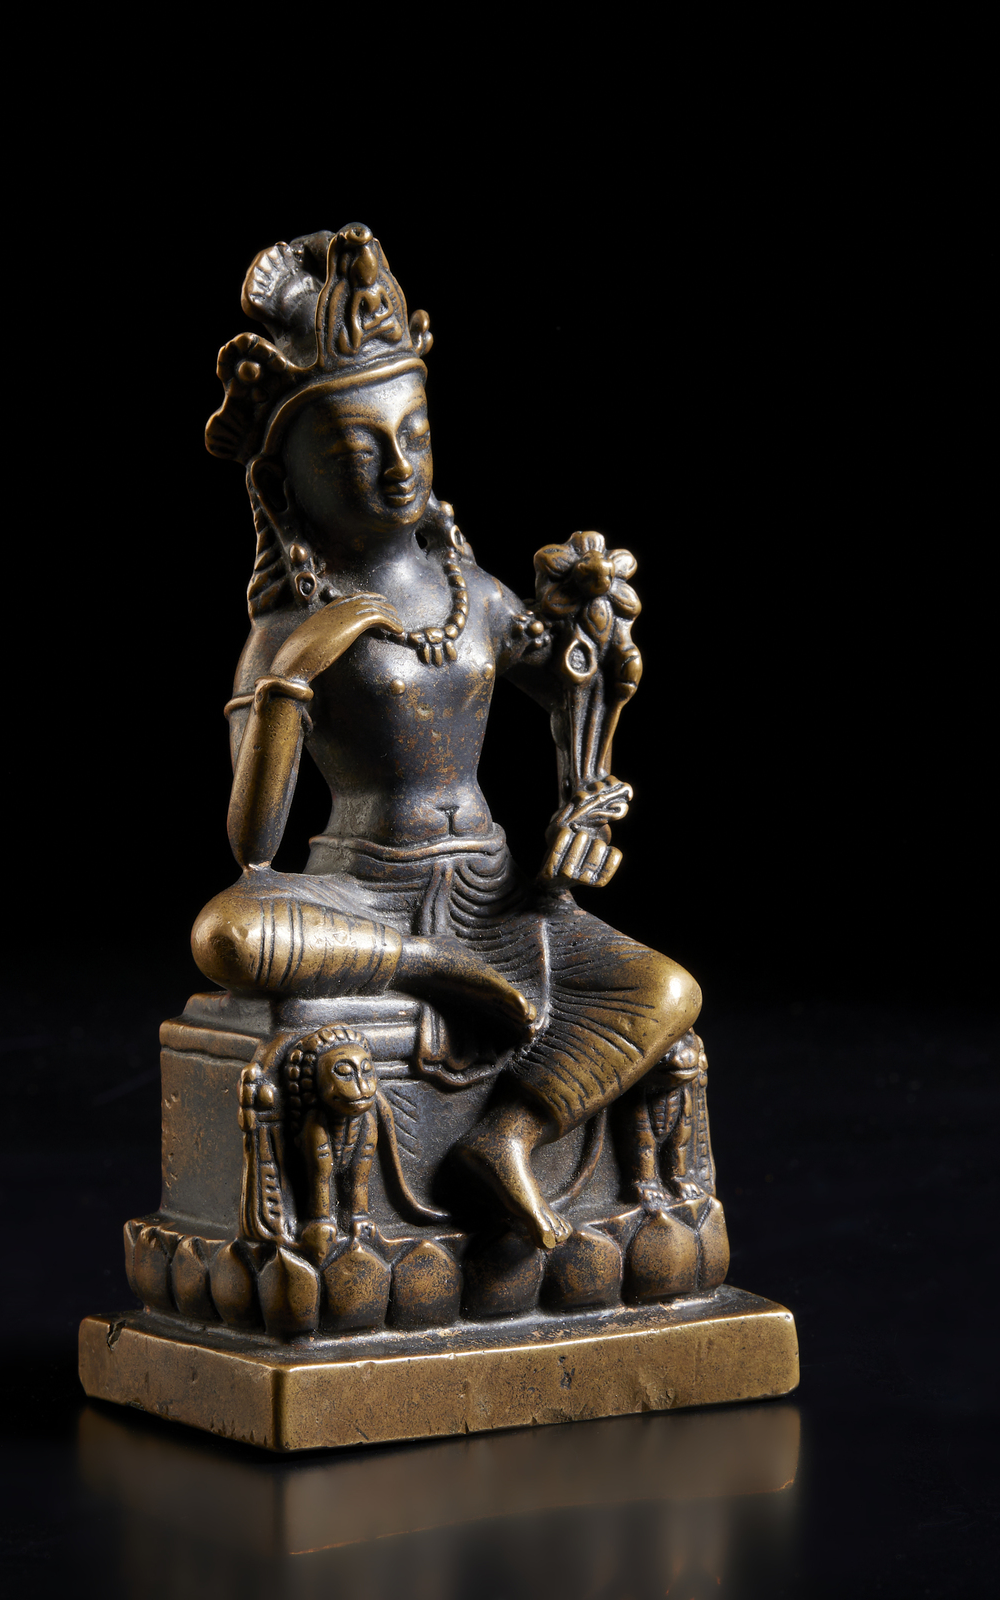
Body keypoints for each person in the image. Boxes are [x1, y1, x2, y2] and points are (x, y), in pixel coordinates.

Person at [192, 225, 700, 1250]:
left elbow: (574, 684)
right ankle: (428, 965)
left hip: (495, 887)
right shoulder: (287, 633)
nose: (398, 469)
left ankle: (508, 1137)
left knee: (665, 989)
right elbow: (254, 845)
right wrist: (294, 673)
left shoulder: (470, 591)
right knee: (230, 933)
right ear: (287, 485)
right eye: (357, 452)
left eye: (413, 437)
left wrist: (595, 634)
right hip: (365, 892)